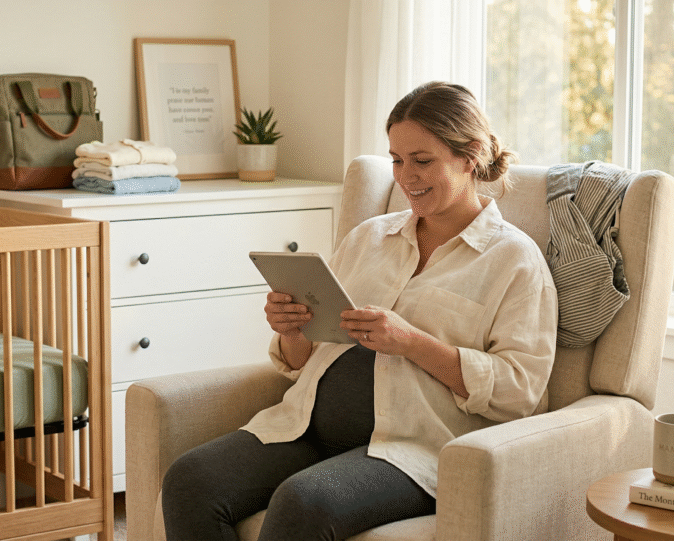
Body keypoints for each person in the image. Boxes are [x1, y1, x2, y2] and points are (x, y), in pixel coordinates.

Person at [161, 81, 558, 540]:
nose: (405, 176)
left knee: (303, 502)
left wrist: (411, 342)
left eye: (422, 160)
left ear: (469, 156)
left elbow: (521, 391)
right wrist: (293, 330)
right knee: (190, 480)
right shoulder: (370, 238)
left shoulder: (514, 261)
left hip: (411, 449)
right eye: (396, 160)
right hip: (305, 425)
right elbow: (298, 364)